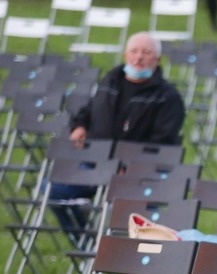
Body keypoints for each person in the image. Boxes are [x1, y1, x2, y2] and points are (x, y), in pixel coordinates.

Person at [50, 32, 185, 245]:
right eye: (134, 51)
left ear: (157, 60)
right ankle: (86, 246)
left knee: (138, 212)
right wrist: (79, 126)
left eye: (146, 52)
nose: (139, 57)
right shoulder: (109, 82)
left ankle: (126, 252)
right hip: (96, 163)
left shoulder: (168, 97)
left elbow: (163, 143)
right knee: (56, 191)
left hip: (138, 172)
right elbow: (89, 109)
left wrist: (129, 165)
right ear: (125, 55)